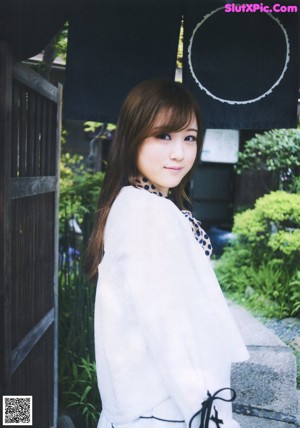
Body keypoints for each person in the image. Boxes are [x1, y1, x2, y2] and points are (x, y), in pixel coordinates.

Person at [85, 79, 249, 428]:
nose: (179, 153)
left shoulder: (138, 203)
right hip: (168, 411)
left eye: (189, 137)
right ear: (133, 138)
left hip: (149, 406)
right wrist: (209, 416)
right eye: (163, 136)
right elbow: (169, 329)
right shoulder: (148, 212)